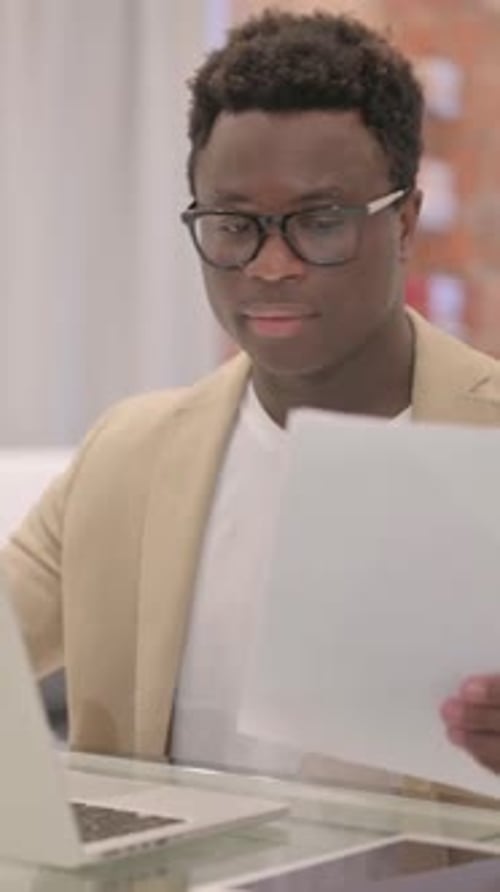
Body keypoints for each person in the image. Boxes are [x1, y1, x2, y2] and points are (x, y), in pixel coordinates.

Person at [3, 8, 500, 802]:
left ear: (403, 223)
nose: (269, 267)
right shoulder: (127, 457)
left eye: (320, 222)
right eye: (234, 224)